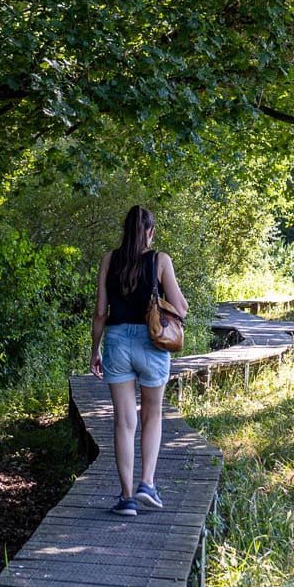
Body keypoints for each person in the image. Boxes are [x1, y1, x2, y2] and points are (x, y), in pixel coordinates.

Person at [90, 205, 189, 516]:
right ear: (150, 232)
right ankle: (147, 482)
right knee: (152, 416)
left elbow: (100, 312)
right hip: (151, 343)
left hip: (117, 342)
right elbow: (181, 308)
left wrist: (95, 349)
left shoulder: (110, 259)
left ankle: (127, 497)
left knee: (123, 421)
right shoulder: (160, 261)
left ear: (125, 229)